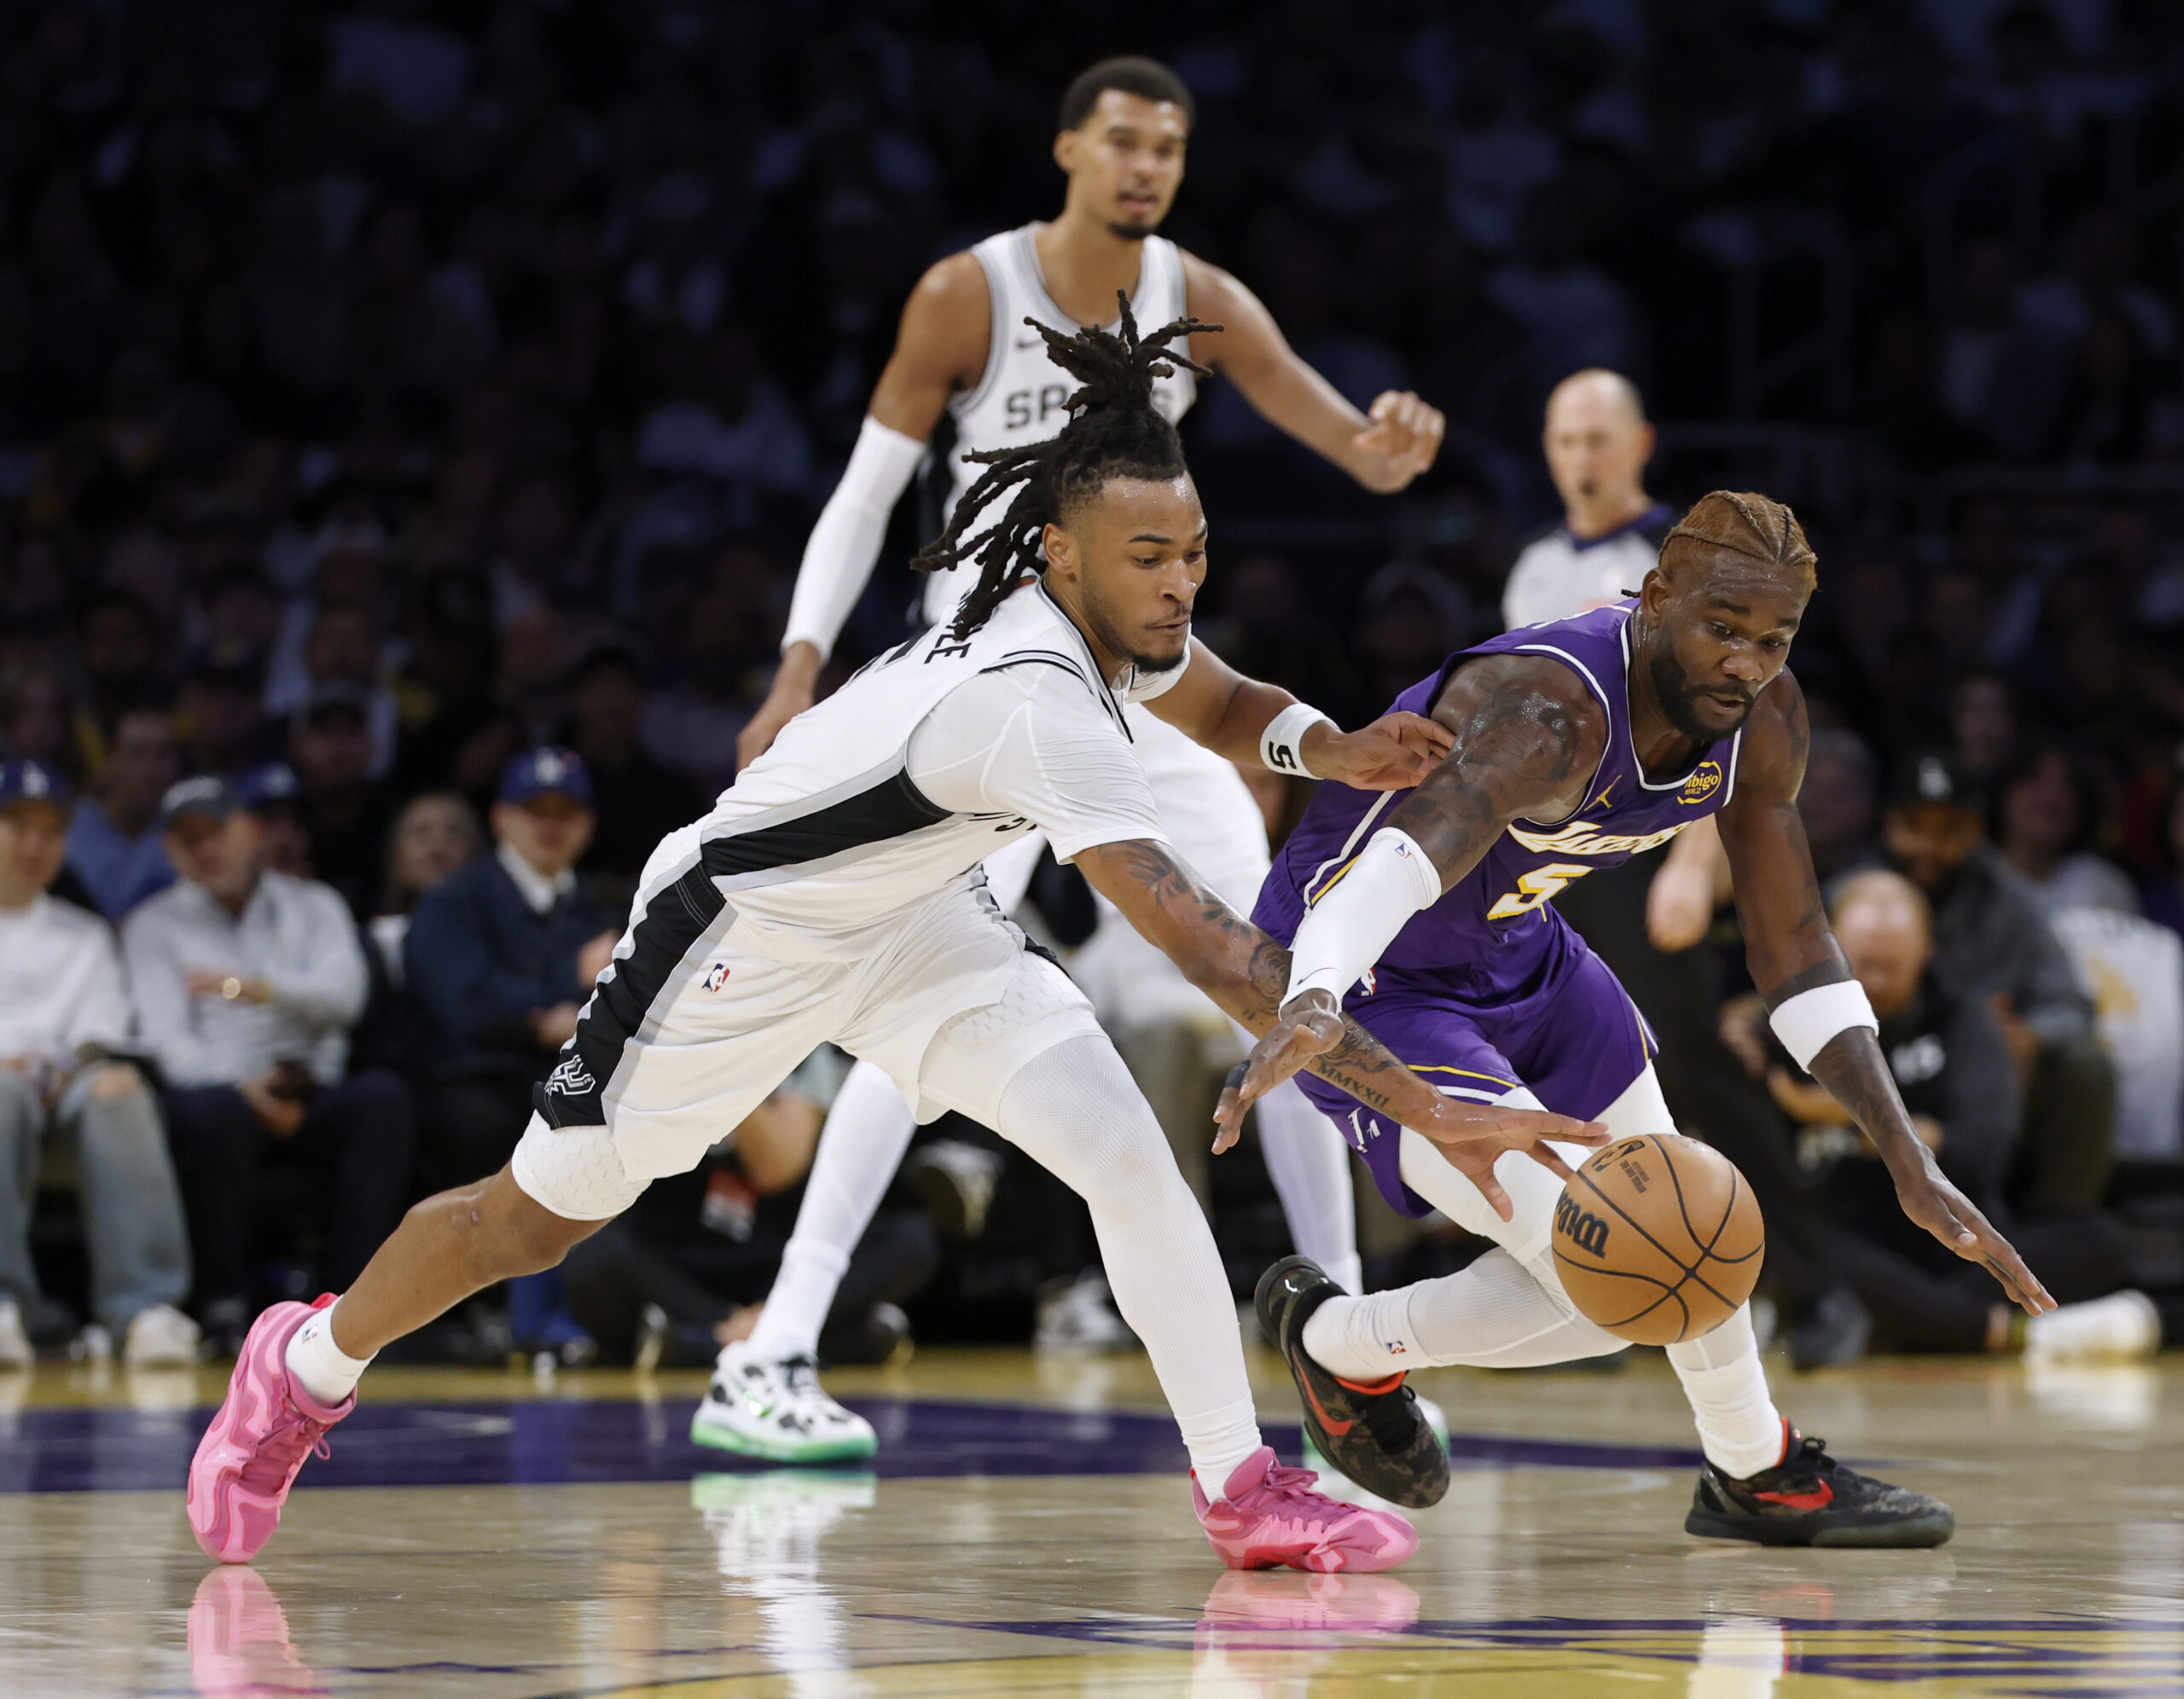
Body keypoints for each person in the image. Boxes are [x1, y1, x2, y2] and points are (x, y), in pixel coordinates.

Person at [186, 310, 1600, 1576]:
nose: (1180, 584)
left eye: (1195, 554)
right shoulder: (1034, 697)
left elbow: (1219, 699)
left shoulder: (1106, 610)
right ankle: (304, 1364)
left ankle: (1241, 1487)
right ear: (1061, 550)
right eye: (1151, 559)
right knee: (532, 1221)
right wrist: (1429, 1108)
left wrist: (1329, 746)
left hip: (918, 919)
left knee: (1126, 1154)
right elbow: (1219, 956)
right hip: (744, 926)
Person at [724, 56, 1447, 1440]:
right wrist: (799, 665)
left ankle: (1349, 1352)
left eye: (1167, 148)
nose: (1145, 167)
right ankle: (777, 1349)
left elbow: (1353, 446)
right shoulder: (969, 293)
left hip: (1147, 687)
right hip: (986, 702)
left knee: (1282, 980)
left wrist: (1391, 443)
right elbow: (863, 498)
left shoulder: (1199, 297)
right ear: (1067, 149)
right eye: (1122, 141)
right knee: (913, 1004)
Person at [1231, 491, 2053, 1548]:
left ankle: (1754, 1469)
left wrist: (1905, 1156)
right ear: (1656, 597)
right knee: (1608, 1273)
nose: (1745, 664)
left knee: (1682, 1211)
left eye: (1773, 639)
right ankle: (1338, 1342)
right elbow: (1395, 869)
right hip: (1369, 975)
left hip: (1522, 952)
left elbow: (1793, 947)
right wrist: (1312, 993)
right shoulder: (1551, 712)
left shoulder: (1764, 717)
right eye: (1722, 628)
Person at [1759, 871, 2155, 1360]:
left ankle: (1914, 1319)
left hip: (1953, 1247)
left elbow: (1986, 1151)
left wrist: (1860, 1120)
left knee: (2099, 1239)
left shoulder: (1965, 1021)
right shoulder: (1782, 1024)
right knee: (1796, 1245)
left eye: (1891, 966)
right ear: (1830, 953)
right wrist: (1924, 1129)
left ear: (1925, 952)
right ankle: (2012, 1333)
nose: (1877, 981)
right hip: (1848, 1238)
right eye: (1865, 965)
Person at [123, 776, 414, 1351]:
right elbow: (167, 1041)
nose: (203, 847)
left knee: (383, 1099)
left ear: (252, 832)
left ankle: (356, 1309)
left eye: (215, 830)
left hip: (311, 1082)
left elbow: (345, 999)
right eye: (186, 837)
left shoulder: (315, 905)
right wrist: (242, 1086)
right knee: (210, 1115)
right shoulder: (151, 925)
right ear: (169, 850)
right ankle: (222, 1302)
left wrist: (252, 988)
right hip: (223, 1091)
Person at [0, 759, 196, 1367]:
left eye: (50, 831)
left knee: (120, 1087)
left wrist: (62, 1070)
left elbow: (100, 1032)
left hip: (63, 1087)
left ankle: (145, 1310)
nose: (34, 846)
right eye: (18, 827)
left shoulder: (83, 934)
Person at [1874, 750, 2116, 1219]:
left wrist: (2031, 1034)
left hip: (1984, 1072)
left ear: (1977, 830)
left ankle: (2060, 1219)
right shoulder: (1855, 889)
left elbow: (2074, 1007)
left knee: (2085, 1062)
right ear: (1887, 825)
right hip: (1883, 1057)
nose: (1929, 847)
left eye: (1949, 830)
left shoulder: (2011, 901)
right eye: (1914, 826)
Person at [1498, 368, 1673, 631]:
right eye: (1566, 441)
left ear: (1642, 442)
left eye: (1597, 440)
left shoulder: (1682, 559)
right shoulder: (1530, 559)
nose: (1582, 461)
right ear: (1548, 448)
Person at [65, 703, 179, 920]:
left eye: (163, 753)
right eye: (137, 753)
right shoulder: (67, 830)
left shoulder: (190, 830)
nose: (150, 769)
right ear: (110, 760)